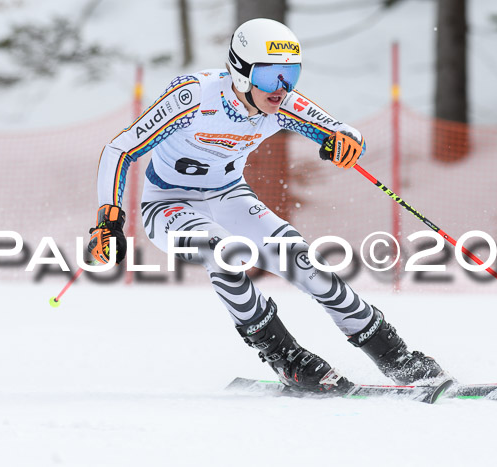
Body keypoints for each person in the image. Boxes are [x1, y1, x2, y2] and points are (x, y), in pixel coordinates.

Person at [88, 18, 443, 393]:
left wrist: (345, 141)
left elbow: (341, 131)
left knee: (305, 264)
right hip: (168, 204)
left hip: (229, 196)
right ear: (240, 71)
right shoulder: (194, 97)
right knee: (224, 252)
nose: (282, 88)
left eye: (291, 74)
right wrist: (108, 219)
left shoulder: (282, 104)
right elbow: (121, 149)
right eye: (272, 76)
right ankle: (284, 357)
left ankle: (395, 356)